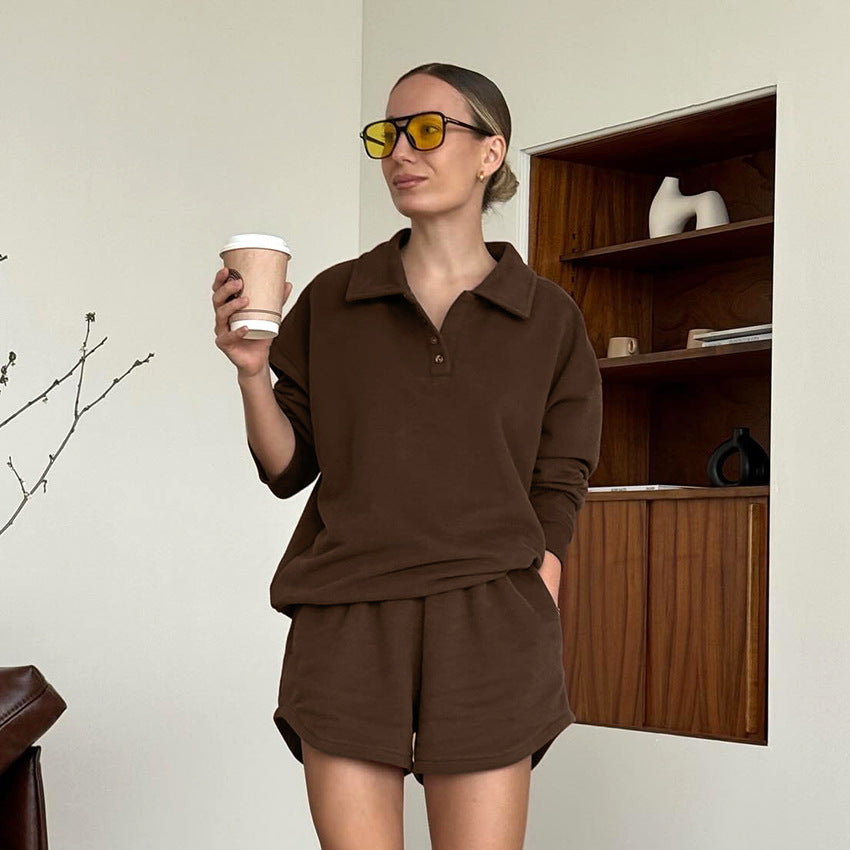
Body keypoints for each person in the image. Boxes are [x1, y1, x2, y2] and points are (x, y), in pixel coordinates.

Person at [213, 62, 603, 850]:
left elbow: (560, 477)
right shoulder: (334, 299)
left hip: (490, 620)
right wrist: (252, 372)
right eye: (387, 135)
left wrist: (541, 579)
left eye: (426, 131)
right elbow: (288, 468)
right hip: (349, 617)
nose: (400, 152)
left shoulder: (549, 318)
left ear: (490, 152)